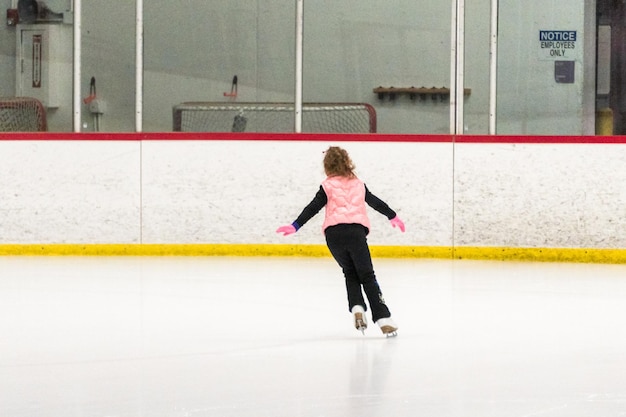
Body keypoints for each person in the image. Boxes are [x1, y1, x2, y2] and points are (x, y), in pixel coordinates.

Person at [276, 146, 405, 336]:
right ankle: (383, 318)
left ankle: (357, 309)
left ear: (327, 166)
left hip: (334, 235)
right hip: (355, 233)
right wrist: (392, 216)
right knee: (367, 276)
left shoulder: (327, 186)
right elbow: (375, 202)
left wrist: (295, 225)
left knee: (350, 272)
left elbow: (312, 208)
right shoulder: (358, 184)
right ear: (347, 162)